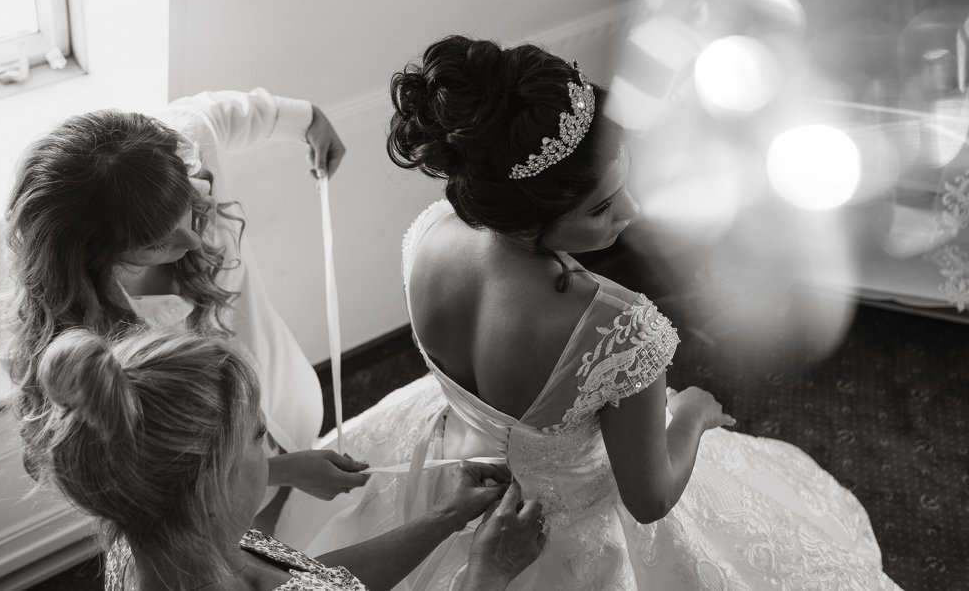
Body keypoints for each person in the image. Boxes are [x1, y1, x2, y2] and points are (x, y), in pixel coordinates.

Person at [275, 36, 902, 590]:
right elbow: (649, 498)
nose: (632, 210)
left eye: (624, 181)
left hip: (450, 461)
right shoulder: (618, 331)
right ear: (529, 217)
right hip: (561, 524)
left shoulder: (430, 235)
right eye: (602, 208)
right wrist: (691, 414)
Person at [0, 89, 365, 521]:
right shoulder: (87, 346)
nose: (194, 241)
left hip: (293, 403)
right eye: (157, 243)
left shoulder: (181, 157)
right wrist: (283, 471)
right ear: (93, 255)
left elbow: (217, 114)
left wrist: (308, 118)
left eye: (189, 206)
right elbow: (146, 473)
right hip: (226, 495)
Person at [28, 328, 544, 591]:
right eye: (257, 436)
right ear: (209, 486)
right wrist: (489, 571)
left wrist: (446, 516)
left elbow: (314, 582)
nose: (272, 449)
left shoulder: (158, 536)